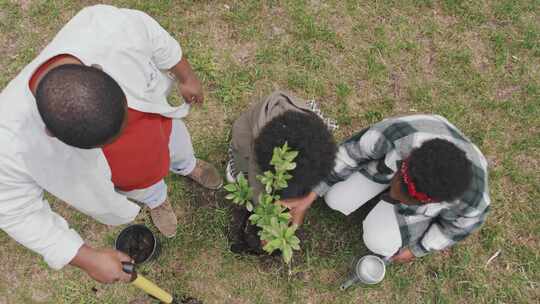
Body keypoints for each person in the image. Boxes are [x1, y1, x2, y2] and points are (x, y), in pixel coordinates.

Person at [0, 5, 222, 284]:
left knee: (178, 145)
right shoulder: (8, 142)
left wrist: (186, 76)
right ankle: (158, 200)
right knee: (146, 187)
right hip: (129, 177)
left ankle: (188, 165)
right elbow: (14, 210)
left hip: (162, 128)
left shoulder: (105, 26)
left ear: (98, 69)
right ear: (51, 133)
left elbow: (156, 38)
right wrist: (86, 258)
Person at [280, 114, 490, 262]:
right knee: (335, 199)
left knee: (379, 242)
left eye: (403, 198)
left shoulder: (473, 201)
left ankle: (394, 211)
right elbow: (351, 153)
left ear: (430, 202)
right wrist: (311, 196)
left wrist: (416, 250)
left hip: (418, 188)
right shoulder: (400, 134)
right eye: (396, 187)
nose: (392, 195)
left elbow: (454, 230)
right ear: (404, 165)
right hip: (389, 166)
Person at [226, 91, 337, 254]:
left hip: (284, 145)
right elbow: (258, 186)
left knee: (297, 186)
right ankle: (235, 166)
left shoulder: (314, 142)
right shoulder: (264, 145)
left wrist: (302, 205)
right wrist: (267, 223)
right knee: (244, 176)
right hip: (248, 139)